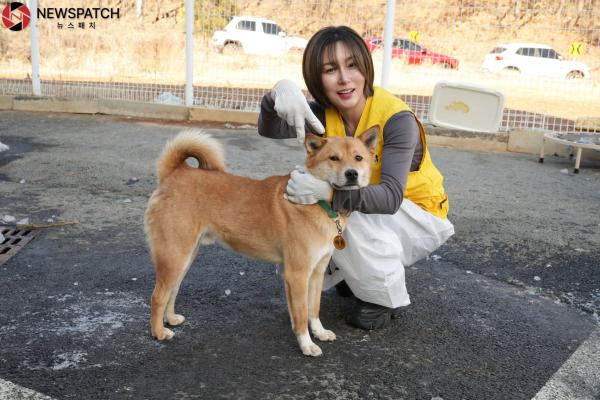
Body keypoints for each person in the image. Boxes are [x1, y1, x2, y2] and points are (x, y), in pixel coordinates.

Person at [258, 26, 454, 330]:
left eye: (352, 65)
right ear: (316, 78)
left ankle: (381, 298)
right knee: (306, 198)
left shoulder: (397, 120)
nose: (344, 78)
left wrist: (326, 192)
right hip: (379, 209)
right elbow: (270, 129)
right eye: (330, 69)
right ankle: (350, 276)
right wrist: (275, 96)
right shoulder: (325, 113)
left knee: (343, 206)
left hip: (416, 214)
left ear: (365, 67)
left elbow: (389, 199)